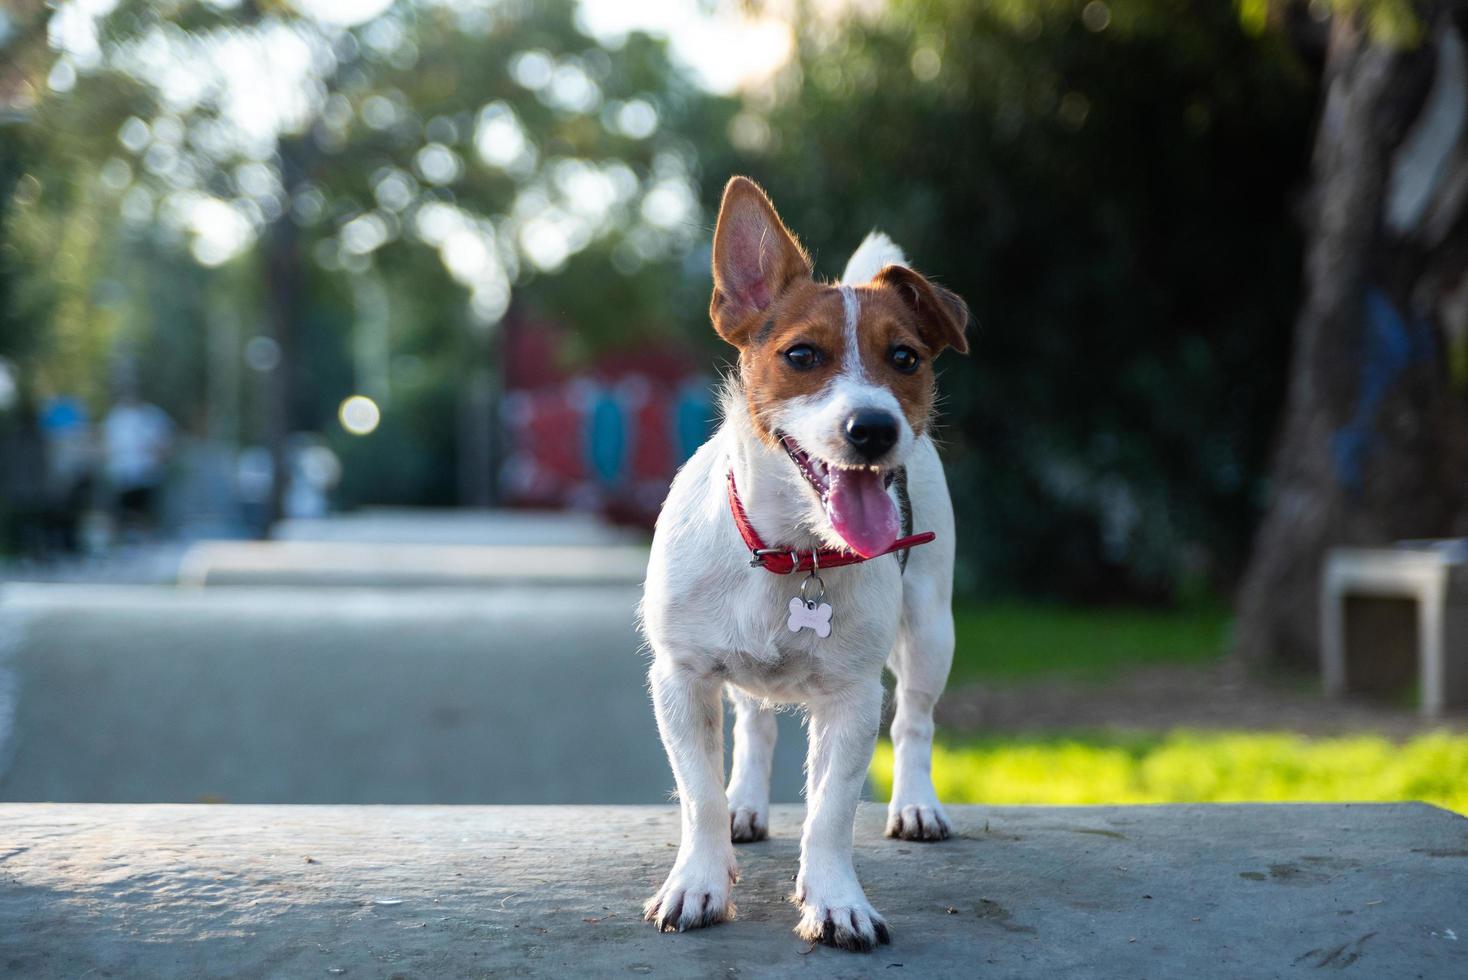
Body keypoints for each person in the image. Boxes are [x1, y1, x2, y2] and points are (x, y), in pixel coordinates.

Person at [102, 392, 174, 534]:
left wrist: (159, 458)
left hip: (147, 473)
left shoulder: (152, 416)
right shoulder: (115, 418)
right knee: (122, 511)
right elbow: (106, 444)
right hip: (122, 474)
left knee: (146, 511)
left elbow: (165, 443)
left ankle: (148, 537)